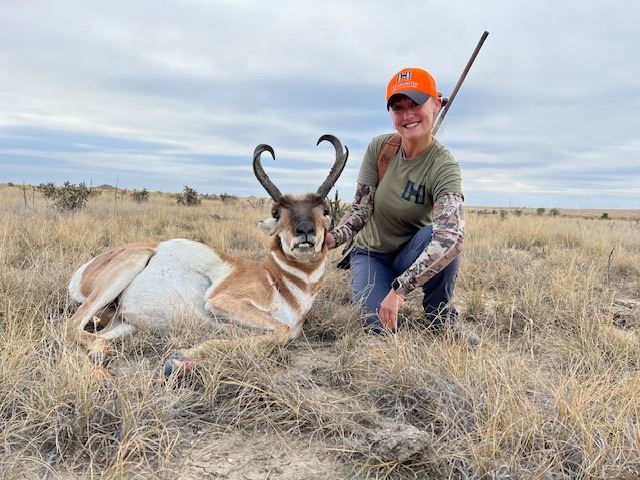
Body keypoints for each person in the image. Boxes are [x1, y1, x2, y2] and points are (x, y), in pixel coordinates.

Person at [326, 67, 475, 343]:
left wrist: (400, 290)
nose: (407, 115)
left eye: (415, 104)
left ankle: (439, 315)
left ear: (436, 104)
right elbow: (361, 209)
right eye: (398, 108)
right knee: (377, 327)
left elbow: (451, 238)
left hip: (410, 254)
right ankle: (377, 286)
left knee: (438, 236)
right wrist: (331, 239)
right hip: (371, 254)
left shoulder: (444, 166)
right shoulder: (380, 149)